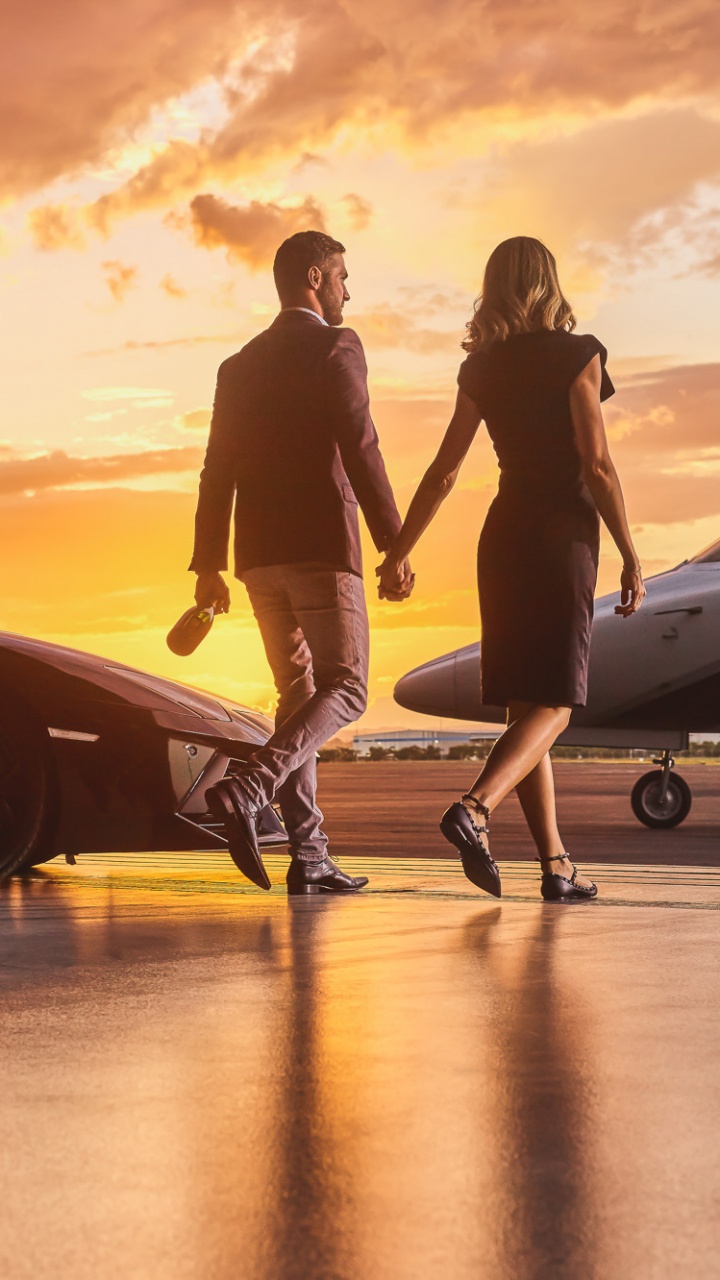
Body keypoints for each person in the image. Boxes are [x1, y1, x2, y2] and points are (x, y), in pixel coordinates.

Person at [377, 236, 645, 902]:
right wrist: (633, 554)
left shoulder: (483, 367)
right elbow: (598, 465)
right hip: (561, 540)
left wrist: (399, 550)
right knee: (556, 705)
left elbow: (444, 472)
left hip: (504, 539)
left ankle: (556, 866)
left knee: (527, 707)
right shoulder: (578, 354)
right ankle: (474, 807)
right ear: (548, 283)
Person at [190, 230, 413, 895]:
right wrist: (394, 545)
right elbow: (362, 445)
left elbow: (215, 471)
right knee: (346, 688)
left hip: (257, 556)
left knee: (299, 697)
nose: (350, 289)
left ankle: (310, 854)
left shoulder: (239, 364)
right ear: (316, 277)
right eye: (343, 276)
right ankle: (253, 786)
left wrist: (209, 565)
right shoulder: (334, 347)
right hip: (321, 548)